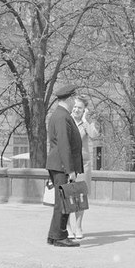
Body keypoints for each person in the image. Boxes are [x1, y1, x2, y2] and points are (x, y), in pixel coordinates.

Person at [45, 84, 84, 247]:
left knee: (60, 202)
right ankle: (60, 236)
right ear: (68, 99)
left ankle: (54, 235)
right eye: (73, 99)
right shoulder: (62, 116)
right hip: (62, 166)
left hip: (58, 164)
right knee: (64, 201)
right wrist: (71, 170)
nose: (74, 103)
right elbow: (64, 145)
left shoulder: (59, 115)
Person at [68, 95, 101, 240]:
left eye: (79, 108)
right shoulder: (66, 120)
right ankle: (67, 227)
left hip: (83, 164)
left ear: (84, 110)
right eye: (74, 107)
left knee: (81, 196)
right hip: (68, 163)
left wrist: (86, 121)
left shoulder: (86, 123)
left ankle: (78, 226)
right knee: (67, 196)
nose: (76, 110)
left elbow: (94, 135)